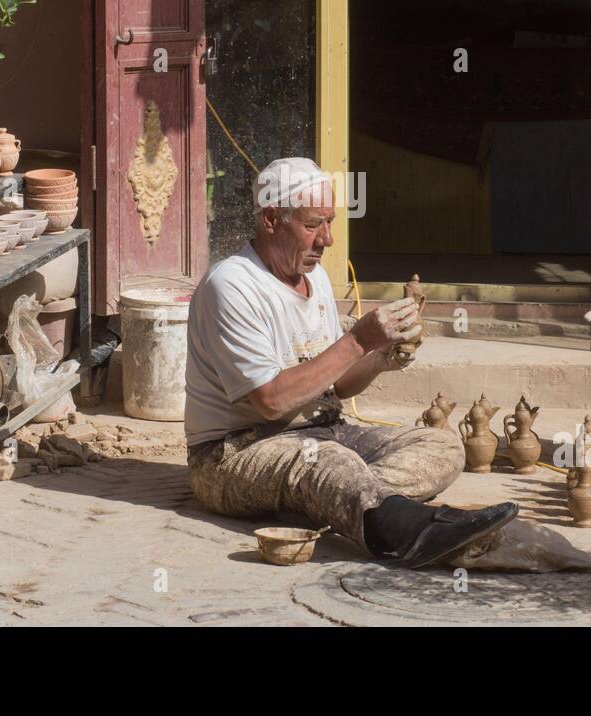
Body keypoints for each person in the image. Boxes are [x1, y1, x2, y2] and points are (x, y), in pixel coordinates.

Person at [185, 157, 518, 567]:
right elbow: (270, 402)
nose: (326, 239)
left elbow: (336, 387)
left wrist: (381, 355)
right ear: (271, 219)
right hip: (234, 455)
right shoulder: (232, 285)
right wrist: (359, 339)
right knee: (325, 463)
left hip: (323, 435)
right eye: (313, 225)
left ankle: (339, 499)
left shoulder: (316, 277)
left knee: (441, 444)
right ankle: (411, 533)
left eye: (330, 221)